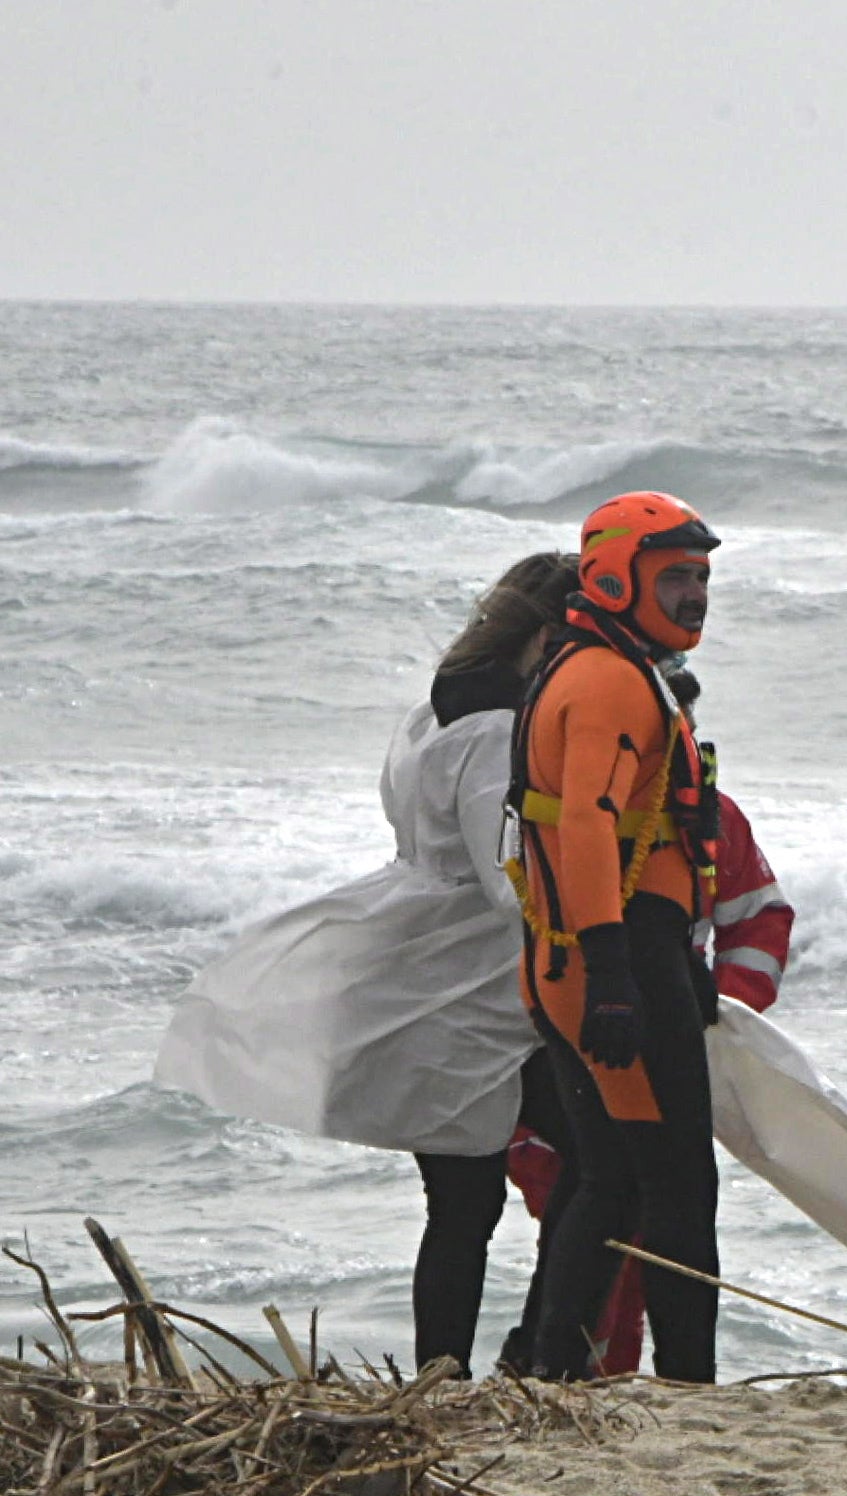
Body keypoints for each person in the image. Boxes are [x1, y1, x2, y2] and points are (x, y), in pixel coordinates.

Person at [154, 552, 575, 1374]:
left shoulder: (432, 712)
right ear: (550, 633)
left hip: (420, 964)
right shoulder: (497, 728)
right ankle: (522, 1355)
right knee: (575, 1169)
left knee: (462, 1201)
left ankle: (450, 1371)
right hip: (471, 986)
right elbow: (505, 879)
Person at [510, 492, 727, 1382]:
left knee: (613, 1180)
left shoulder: (609, 666)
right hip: (610, 957)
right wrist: (616, 974)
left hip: (597, 955)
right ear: (611, 574)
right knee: (677, 1186)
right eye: (673, 576)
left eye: (703, 577)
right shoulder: (604, 680)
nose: (695, 596)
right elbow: (590, 826)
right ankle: (687, 1389)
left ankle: (551, 1368)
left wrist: (672, 955)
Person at [505, 793, 795, 1375]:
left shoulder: (707, 817)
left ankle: (615, 1380)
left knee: (634, 1216)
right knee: (600, 1211)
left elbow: (760, 919)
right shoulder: (558, 814)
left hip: (662, 1043)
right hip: (554, 1056)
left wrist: (720, 1008)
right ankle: (569, 1372)